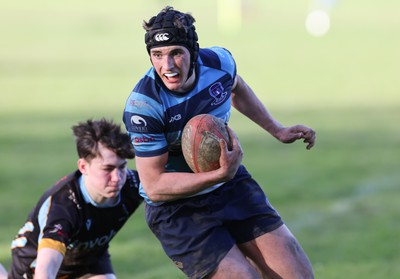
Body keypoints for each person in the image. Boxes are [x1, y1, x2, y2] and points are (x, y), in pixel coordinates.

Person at [123, 6, 316, 279]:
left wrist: (277, 129)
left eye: (176, 53)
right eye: (157, 55)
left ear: (194, 51)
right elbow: (154, 187)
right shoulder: (144, 106)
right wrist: (218, 174)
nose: (167, 66)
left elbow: (236, 87)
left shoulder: (219, 63)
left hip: (231, 186)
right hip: (177, 210)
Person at [6, 118, 142, 279]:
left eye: (122, 167)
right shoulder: (64, 206)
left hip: (87, 261)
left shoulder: (132, 184)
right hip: (34, 267)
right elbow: (45, 271)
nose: (117, 178)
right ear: (83, 166)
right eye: (108, 169)